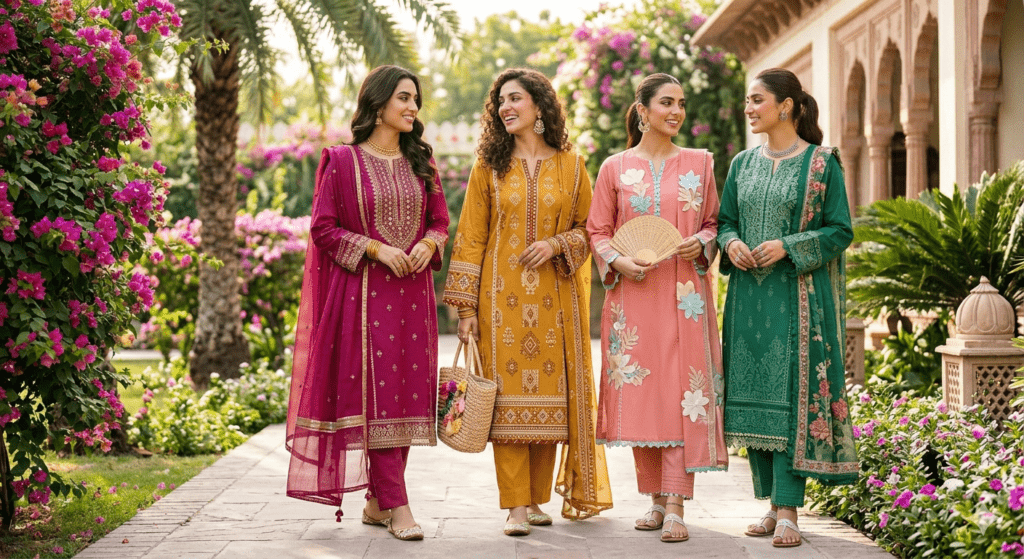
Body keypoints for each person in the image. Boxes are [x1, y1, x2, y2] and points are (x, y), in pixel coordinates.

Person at [442, 67, 612, 536]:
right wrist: (466, 308)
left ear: (540, 105)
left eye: (515, 98)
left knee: (551, 402)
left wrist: (557, 246)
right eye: (500, 101)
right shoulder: (489, 167)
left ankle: (536, 500)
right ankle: (515, 505)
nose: (506, 107)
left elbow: (589, 230)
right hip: (500, 300)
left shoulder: (571, 164)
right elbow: (471, 237)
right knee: (507, 402)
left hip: (556, 300)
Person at [285, 65, 449, 542]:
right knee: (378, 398)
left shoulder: (423, 161)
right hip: (364, 296)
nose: (413, 108)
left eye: (416, 99)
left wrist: (428, 244)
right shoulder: (341, 161)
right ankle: (398, 506)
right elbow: (323, 228)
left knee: (408, 396)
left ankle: (378, 502)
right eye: (404, 98)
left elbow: (439, 221)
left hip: (413, 296)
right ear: (378, 104)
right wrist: (377, 248)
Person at [718, 68, 859, 549]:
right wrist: (732, 243)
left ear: (786, 105)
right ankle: (771, 506)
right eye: (747, 102)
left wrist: (787, 245)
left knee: (793, 397)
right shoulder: (741, 163)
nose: (749, 109)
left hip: (797, 298)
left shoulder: (822, 164)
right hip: (747, 300)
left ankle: (790, 511)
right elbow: (725, 221)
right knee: (755, 400)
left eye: (757, 100)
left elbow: (841, 230)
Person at [586, 73, 729, 544]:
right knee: (642, 394)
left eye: (681, 103)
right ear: (642, 109)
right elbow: (597, 232)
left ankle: (675, 503)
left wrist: (702, 242)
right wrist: (619, 261)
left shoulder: (700, 164)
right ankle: (652, 498)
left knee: (679, 394)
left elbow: (713, 222)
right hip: (632, 299)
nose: (677, 111)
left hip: (684, 297)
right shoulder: (613, 168)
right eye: (666, 103)